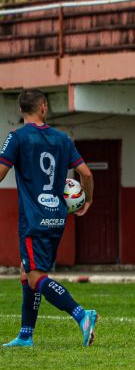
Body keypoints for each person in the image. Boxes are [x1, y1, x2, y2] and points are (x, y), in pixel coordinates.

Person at [1, 89, 97, 347]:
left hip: (33, 219)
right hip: (57, 218)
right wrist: (87, 200)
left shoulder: (17, 138)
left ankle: (81, 315)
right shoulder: (62, 139)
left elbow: (1, 172)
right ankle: (25, 335)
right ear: (43, 107)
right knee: (26, 271)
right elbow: (86, 175)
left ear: (22, 110)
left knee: (35, 277)